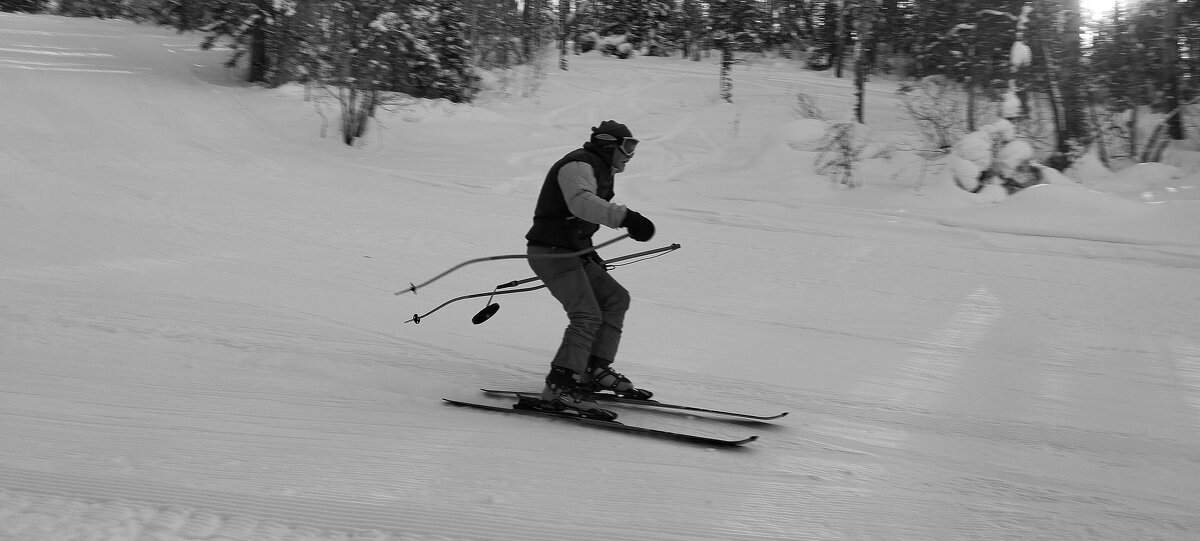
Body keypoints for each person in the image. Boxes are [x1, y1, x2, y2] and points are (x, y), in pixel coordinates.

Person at [525, 120, 656, 416]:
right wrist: (626, 218)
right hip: (551, 252)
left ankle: (592, 370)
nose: (629, 155)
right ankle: (560, 386)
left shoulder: (600, 170)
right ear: (608, 144)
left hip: (572, 252)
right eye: (627, 146)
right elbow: (581, 204)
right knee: (586, 314)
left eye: (634, 147)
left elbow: (580, 224)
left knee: (615, 298)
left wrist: (591, 253)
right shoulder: (578, 165)